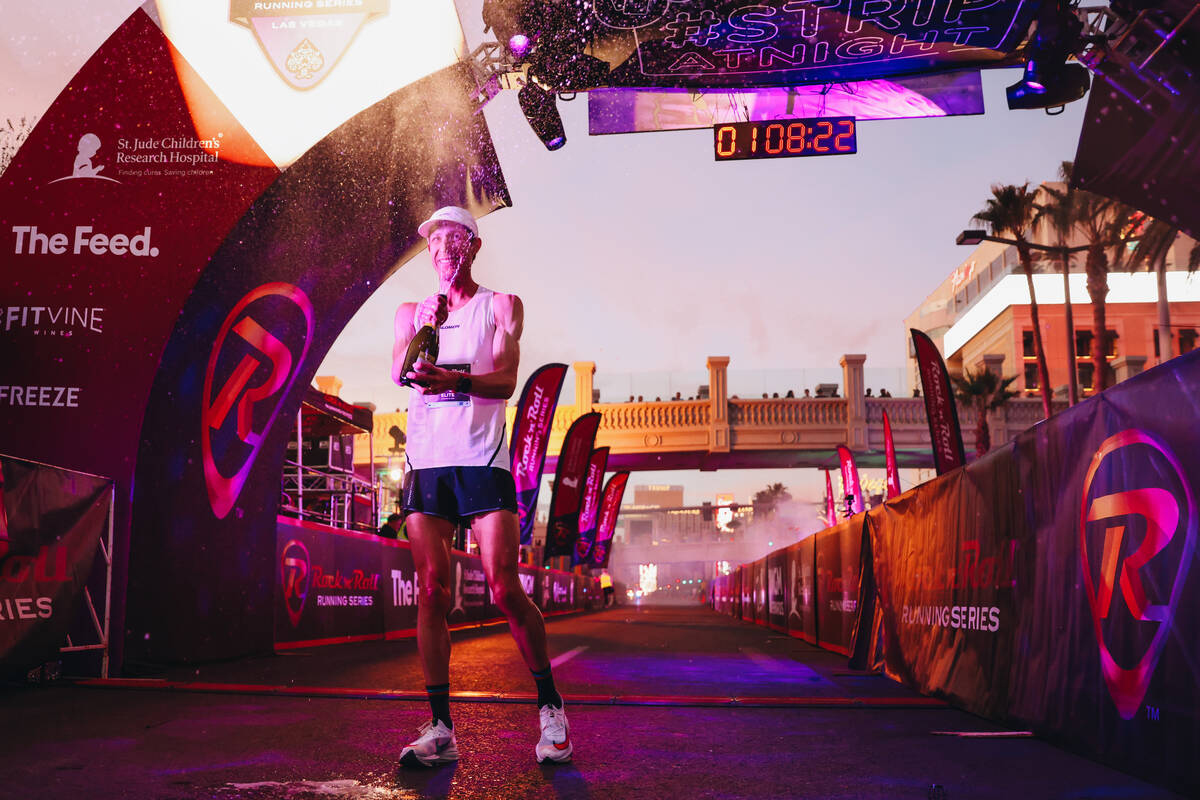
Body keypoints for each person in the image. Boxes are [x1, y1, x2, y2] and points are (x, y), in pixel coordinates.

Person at [392, 206, 571, 768]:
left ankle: (550, 708)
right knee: (431, 591)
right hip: (427, 461)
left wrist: (456, 379)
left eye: (452, 239)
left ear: (472, 246)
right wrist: (426, 327)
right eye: (433, 242)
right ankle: (441, 727)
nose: (441, 248)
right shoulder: (409, 312)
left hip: (481, 460)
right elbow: (402, 373)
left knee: (502, 587)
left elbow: (506, 381)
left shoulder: (501, 305)